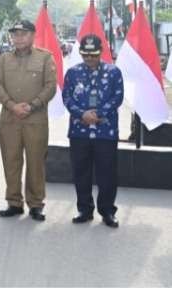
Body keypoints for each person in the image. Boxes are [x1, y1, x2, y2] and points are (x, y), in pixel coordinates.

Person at [0, 20, 57, 222]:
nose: (18, 38)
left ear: (32, 35)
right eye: (15, 34)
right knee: (10, 161)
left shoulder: (45, 57)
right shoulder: (4, 59)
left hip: (35, 119)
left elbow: (50, 86)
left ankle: (36, 204)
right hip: (9, 119)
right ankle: (14, 202)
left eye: (23, 34)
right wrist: (12, 105)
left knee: (36, 162)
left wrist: (32, 105)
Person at [62, 34, 123, 228]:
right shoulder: (72, 72)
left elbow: (117, 97)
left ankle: (107, 211)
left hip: (106, 131)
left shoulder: (114, 72)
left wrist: (98, 113)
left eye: (93, 54)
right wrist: (82, 114)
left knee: (107, 173)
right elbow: (67, 98)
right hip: (80, 132)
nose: (89, 58)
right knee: (81, 172)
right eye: (85, 54)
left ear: (101, 52)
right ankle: (84, 210)